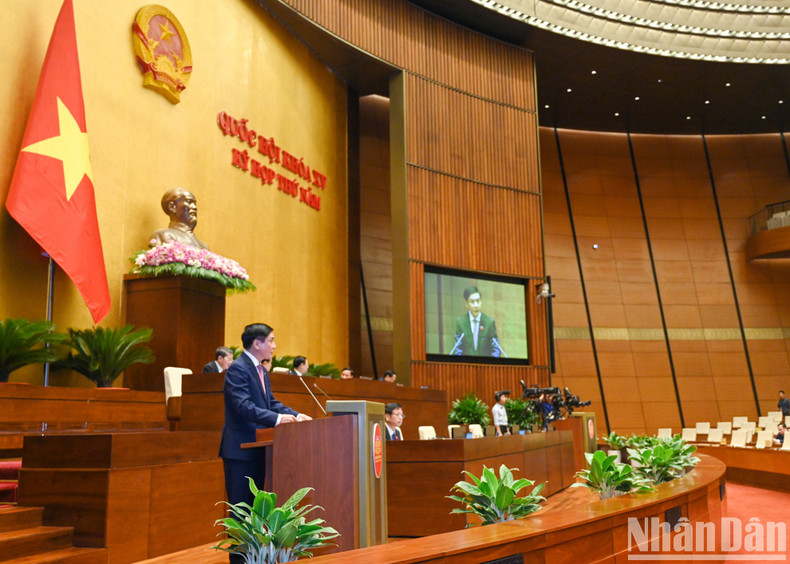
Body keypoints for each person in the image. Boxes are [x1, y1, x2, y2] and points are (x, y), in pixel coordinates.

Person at [219, 323, 312, 514]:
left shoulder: (259, 370)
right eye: (271, 340)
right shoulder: (238, 369)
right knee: (240, 511)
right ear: (257, 344)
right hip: (241, 450)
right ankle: (239, 546)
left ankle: (253, 546)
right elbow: (242, 406)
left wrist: (295, 415)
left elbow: (269, 402)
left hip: (258, 449)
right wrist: (277, 419)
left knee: (256, 511)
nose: (274, 346)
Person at [451, 286, 503, 357]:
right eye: (472, 302)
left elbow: (496, 349)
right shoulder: (461, 322)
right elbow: (457, 349)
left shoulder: (489, 323)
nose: (476, 305)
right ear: (466, 304)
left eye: (478, 301)